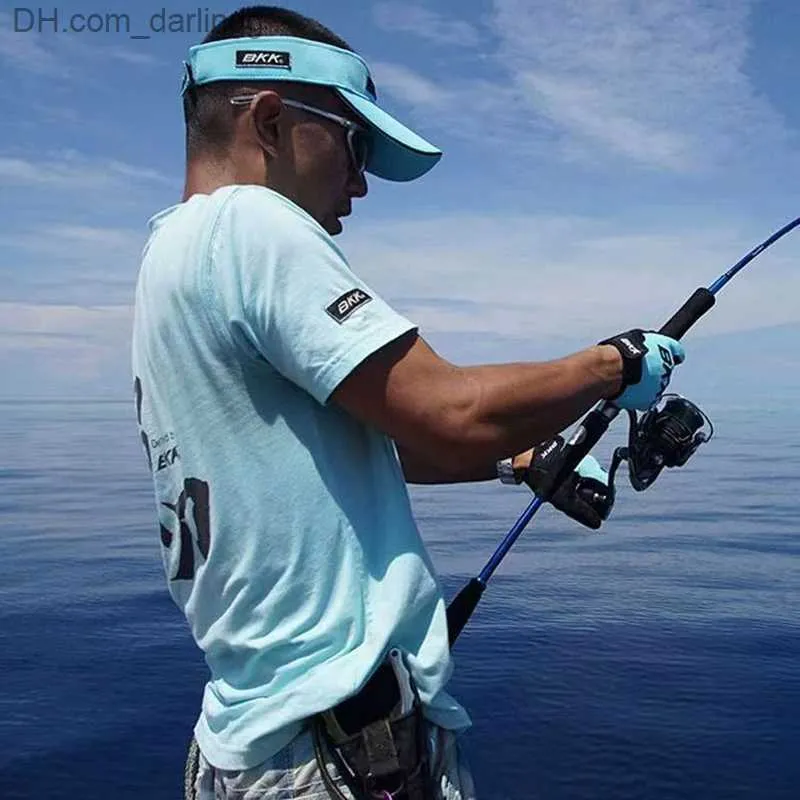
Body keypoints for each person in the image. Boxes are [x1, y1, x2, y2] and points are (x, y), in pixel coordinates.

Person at [130, 6, 686, 799]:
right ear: (273, 118)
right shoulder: (252, 225)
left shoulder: (170, 257)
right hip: (334, 759)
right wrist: (614, 365)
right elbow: (450, 416)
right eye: (356, 145)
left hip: (252, 747)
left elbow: (373, 447)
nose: (360, 184)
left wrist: (526, 456)